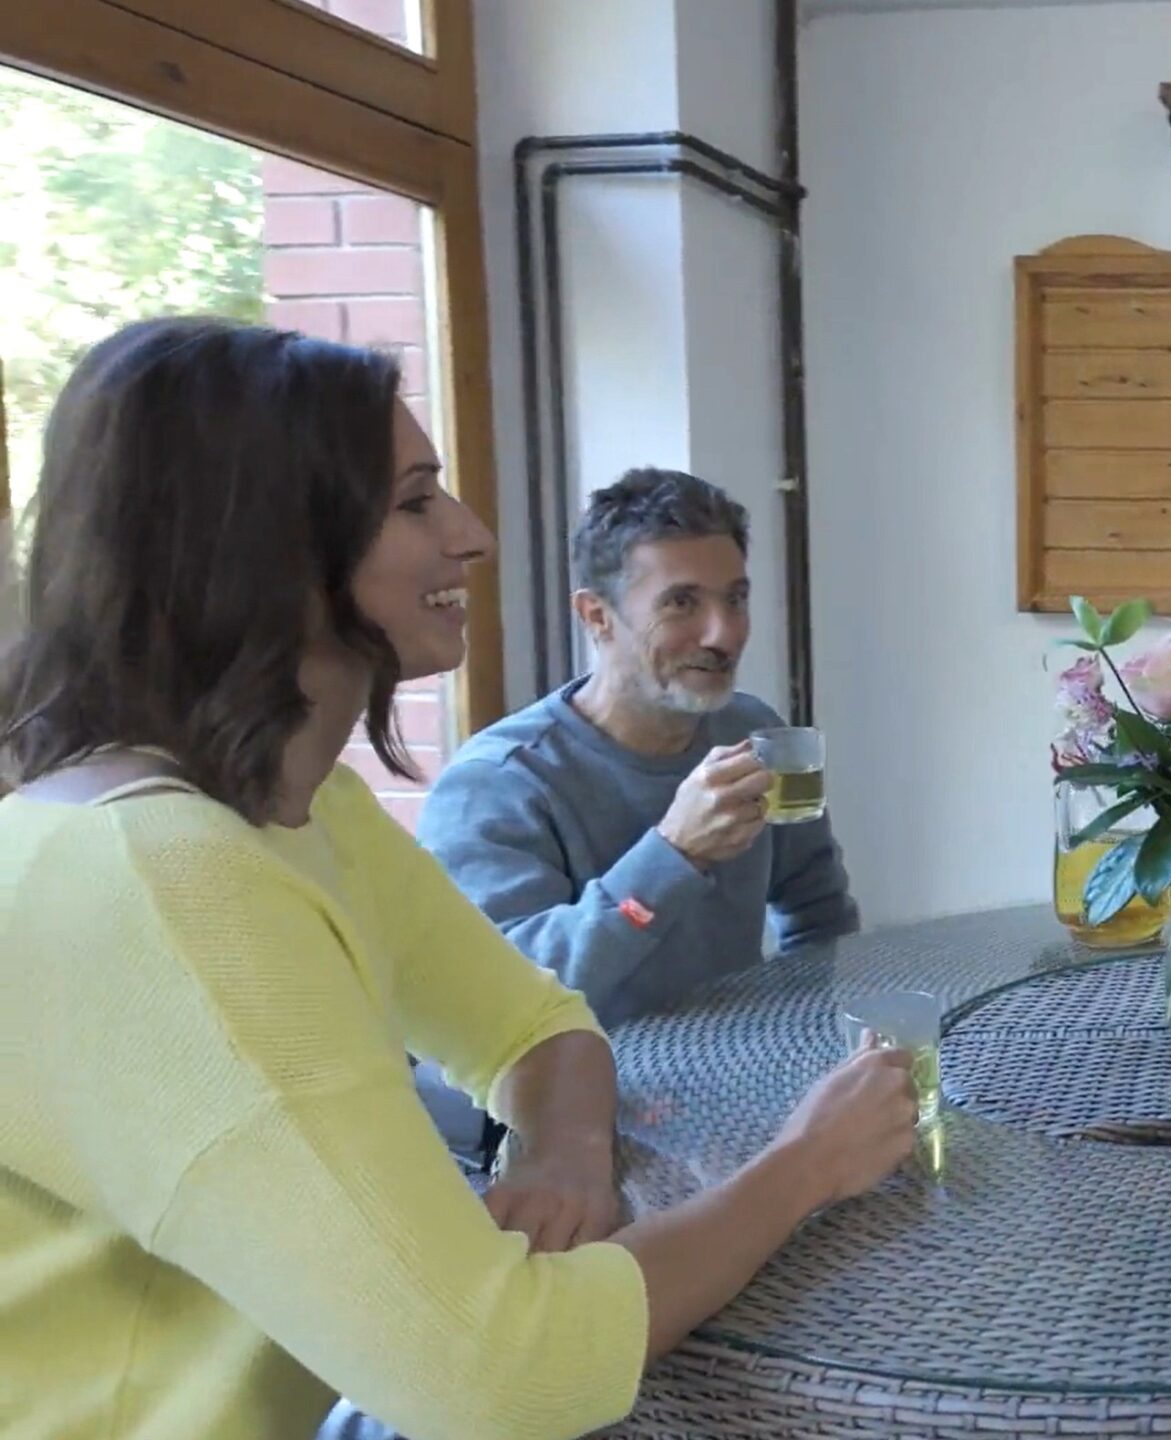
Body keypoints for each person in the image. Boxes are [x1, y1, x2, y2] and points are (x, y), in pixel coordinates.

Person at [0, 317, 917, 1440]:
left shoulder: (309, 808)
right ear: (265, 547)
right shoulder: (169, 882)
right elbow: (501, 1377)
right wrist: (806, 1167)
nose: (473, 536)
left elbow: (536, 1020)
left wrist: (565, 1153)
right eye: (415, 502)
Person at [411, 467, 855, 1159]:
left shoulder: (753, 732)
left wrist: (807, 1056)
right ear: (596, 616)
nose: (723, 634)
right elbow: (500, 1000)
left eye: (735, 599)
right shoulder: (496, 786)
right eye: (682, 603)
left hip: (733, 1105)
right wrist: (673, 855)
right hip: (559, 1140)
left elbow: (817, 911)